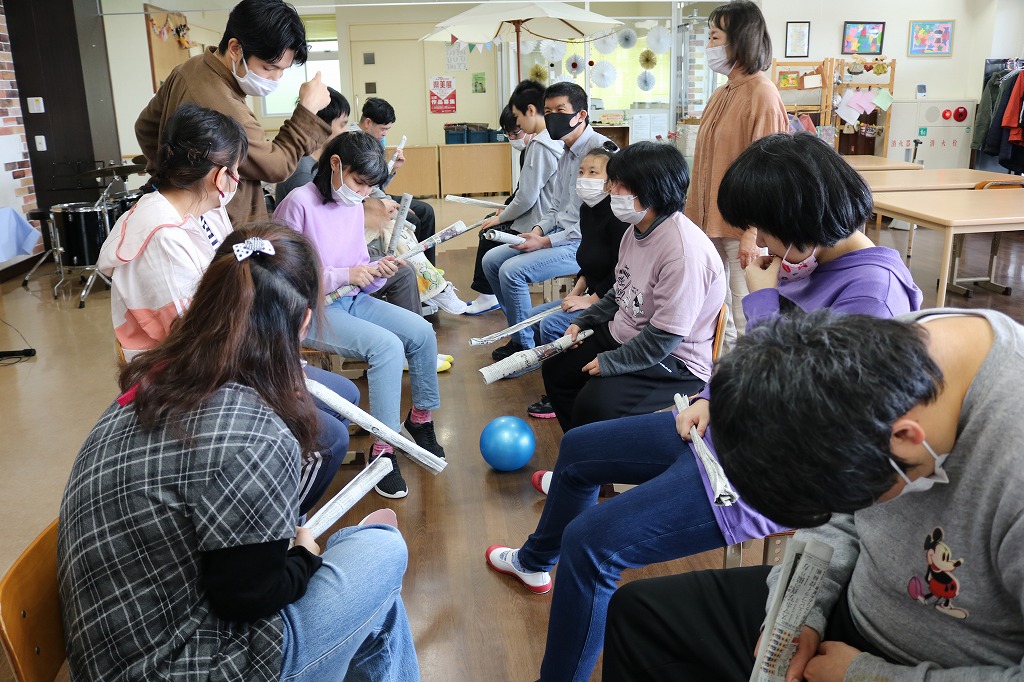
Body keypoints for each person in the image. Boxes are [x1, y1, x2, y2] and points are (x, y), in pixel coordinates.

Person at [484, 133, 922, 682]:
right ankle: (534, 561)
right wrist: (713, 398)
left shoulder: (872, 293)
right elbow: (758, 366)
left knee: (591, 544)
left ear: (800, 219)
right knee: (577, 448)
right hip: (732, 430)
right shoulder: (812, 261)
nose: (757, 242)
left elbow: (810, 409)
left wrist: (761, 298)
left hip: (770, 470)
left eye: (762, 228)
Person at [59, 224, 419, 682]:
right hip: (186, 664)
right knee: (382, 550)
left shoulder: (154, 380)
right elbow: (247, 599)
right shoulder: (258, 435)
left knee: (377, 601)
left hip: (119, 645)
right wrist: (303, 557)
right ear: (303, 324)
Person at [604, 307, 1024, 681]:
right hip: (852, 604)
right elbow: (835, 518)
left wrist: (865, 676)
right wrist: (797, 614)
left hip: (937, 664)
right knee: (641, 616)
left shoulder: (1011, 459)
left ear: (906, 438)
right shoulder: (876, 357)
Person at [99, 103, 359, 517]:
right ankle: (270, 522)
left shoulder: (206, 208)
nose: (238, 180)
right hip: (191, 375)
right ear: (218, 175)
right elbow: (196, 342)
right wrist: (275, 360)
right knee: (329, 439)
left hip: (230, 348)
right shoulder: (161, 237)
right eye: (236, 171)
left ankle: (275, 492)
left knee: (346, 395)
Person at [274, 131, 446, 499]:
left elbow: (359, 267)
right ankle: (383, 451)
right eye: (359, 182)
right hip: (306, 311)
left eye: (370, 186)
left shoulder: (352, 204)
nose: (364, 193)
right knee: (386, 347)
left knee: (421, 332)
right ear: (335, 164)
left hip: (349, 300)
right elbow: (283, 277)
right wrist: (345, 275)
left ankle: (420, 419)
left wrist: (376, 272)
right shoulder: (297, 204)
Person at [537, 141, 724, 433]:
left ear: (651, 189)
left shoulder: (683, 253)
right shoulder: (636, 230)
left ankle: (588, 454)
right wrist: (586, 319)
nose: (611, 190)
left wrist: (613, 362)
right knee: (557, 369)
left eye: (620, 184)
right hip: (628, 334)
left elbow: (664, 338)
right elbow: (622, 289)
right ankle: (582, 451)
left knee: (594, 403)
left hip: (675, 359)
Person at [135, 0, 331, 225]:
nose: (276, 78)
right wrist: (307, 110)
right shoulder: (224, 106)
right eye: (269, 68)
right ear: (235, 48)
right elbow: (277, 166)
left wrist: (171, 179)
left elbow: (145, 127)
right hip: (221, 224)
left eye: (282, 70)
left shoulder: (191, 67)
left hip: (192, 214)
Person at [684, 0, 787, 348]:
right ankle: (722, 375)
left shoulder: (763, 94)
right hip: (708, 223)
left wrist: (753, 233)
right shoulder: (720, 93)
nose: (709, 45)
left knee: (748, 315)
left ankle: (754, 378)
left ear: (741, 39)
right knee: (716, 311)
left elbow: (770, 172)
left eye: (715, 37)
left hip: (742, 228)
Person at [483, 82, 609, 357]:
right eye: (548, 111)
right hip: (559, 235)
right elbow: (555, 207)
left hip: (582, 243)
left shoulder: (601, 153)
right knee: (491, 260)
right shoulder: (565, 150)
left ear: (581, 115)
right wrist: (538, 232)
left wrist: (545, 242)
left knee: (511, 271)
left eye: (560, 111)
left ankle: (525, 350)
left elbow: (596, 223)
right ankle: (520, 334)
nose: (552, 118)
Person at [524, 144, 628, 419]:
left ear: (611, 182)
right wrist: (577, 291)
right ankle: (559, 379)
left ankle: (566, 387)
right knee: (532, 318)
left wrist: (591, 300)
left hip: (613, 301)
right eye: (581, 172)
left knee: (550, 324)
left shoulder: (618, 216)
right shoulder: (587, 210)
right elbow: (589, 261)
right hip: (592, 293)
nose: (584, 178)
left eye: (593, 172)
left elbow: (623, 272)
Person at [468, 83, 564, 316]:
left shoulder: (541, 144)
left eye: (518, 119)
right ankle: (495, 301)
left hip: (545, 223)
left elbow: (527, 197)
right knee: (492, 243)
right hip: (551, 220)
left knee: (491, 234)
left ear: (531, 110)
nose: (518, 124)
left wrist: (502, 217)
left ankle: (492, 300)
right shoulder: (556, 139)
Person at [355, 97, 438, 265]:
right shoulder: (356, 144)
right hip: (365, 200)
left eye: (388, 129)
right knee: (411, 219)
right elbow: (366, 187)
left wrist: (392, 169)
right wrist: (392, 203)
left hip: (376, 194)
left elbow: (376, 183)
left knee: (426, 212)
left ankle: (428, 268)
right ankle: (413, 267)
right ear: (368, 123)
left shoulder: (373, 141)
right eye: (383, 129)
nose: (385, 133)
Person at [274, 86, 351, 204]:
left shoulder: (322, 160)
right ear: (322, 125)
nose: (346, 131)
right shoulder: (303, 173)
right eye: (342, 124)